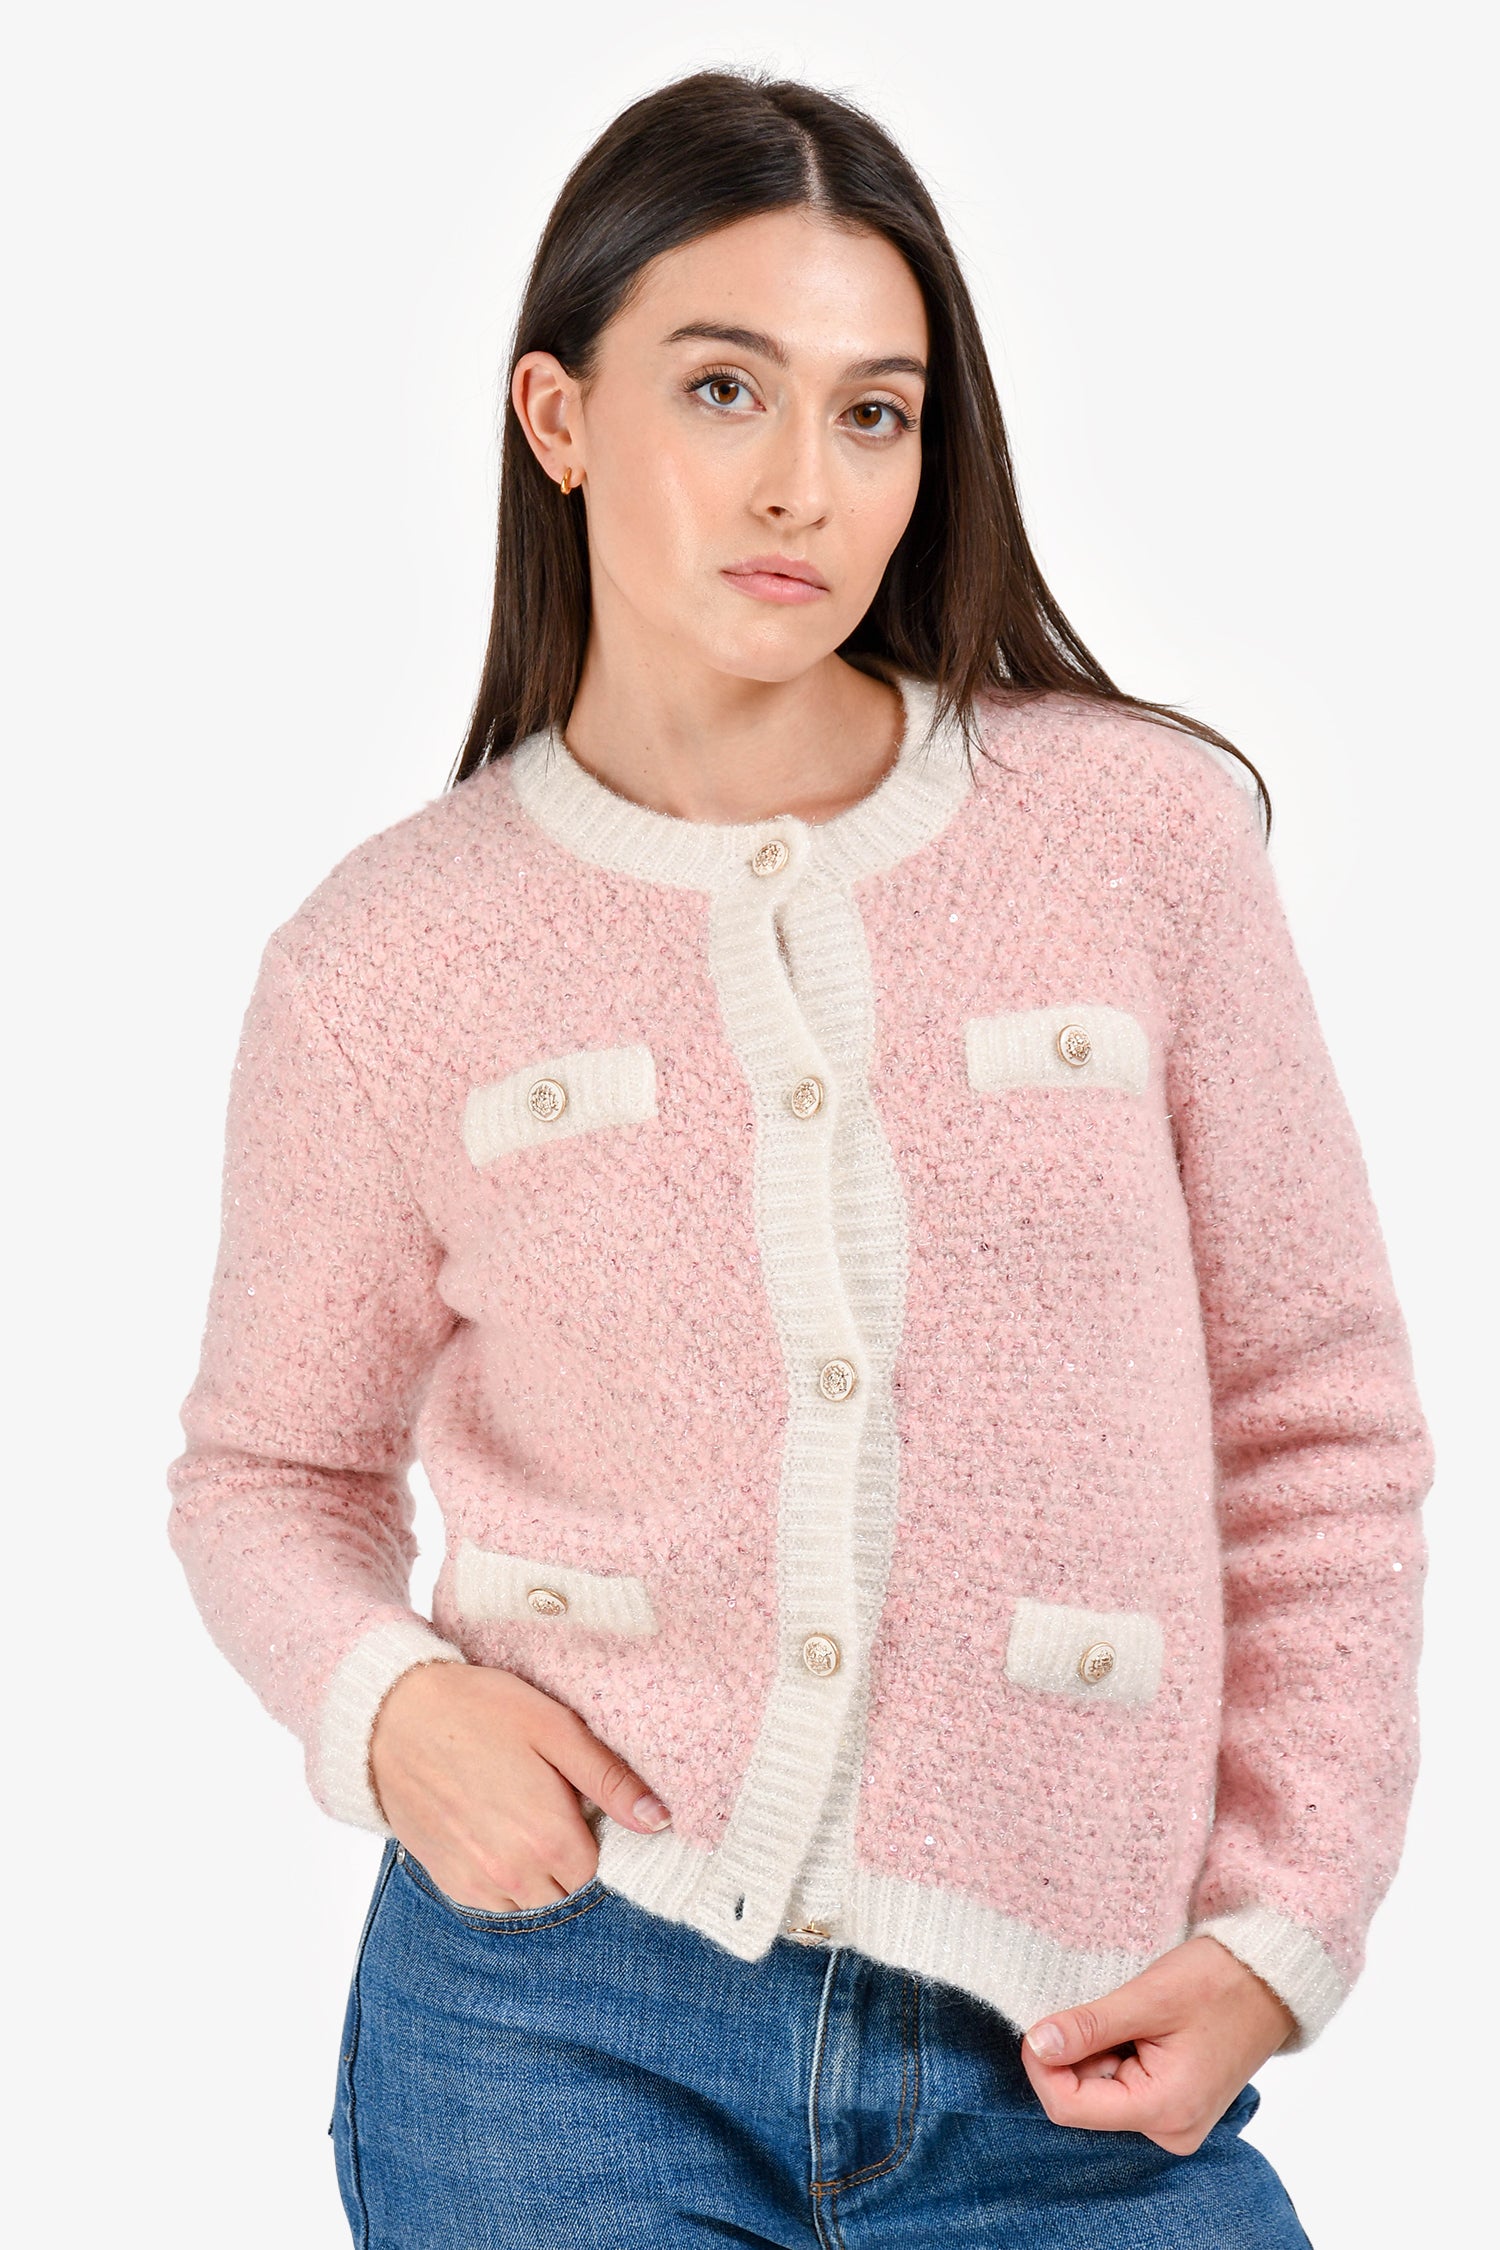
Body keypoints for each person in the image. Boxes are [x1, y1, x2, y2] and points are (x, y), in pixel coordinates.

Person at [165, 65, 1434, 2249]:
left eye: (874, 413)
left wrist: (1284, 1921)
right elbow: (266, 1473)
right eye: (723, 387)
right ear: (558, 418)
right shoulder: (385, 958)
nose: (803, 483)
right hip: (556, 2031)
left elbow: (1316, 1420)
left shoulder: (1134, 838)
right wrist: (392, 1711)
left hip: (1076, 2046)